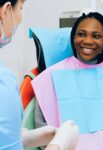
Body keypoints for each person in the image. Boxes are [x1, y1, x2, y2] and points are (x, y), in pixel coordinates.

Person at [32, 12, 103, 149]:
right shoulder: (52, 76)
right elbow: (42, 130)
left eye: (96, 36)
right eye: (81, 34)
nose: (87, 41)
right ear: (73, 37)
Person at [0, 0, 79, 150]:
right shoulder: (4, 82)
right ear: (6, 11)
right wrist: (60, 144)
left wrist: (24, 138)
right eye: (21, 8)